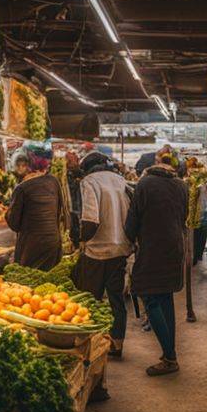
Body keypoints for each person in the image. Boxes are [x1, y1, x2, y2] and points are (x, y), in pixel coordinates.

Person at [125, 152, 188, 376]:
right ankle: (169, 354)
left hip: (153, 248)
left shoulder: (144, 184)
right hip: (174, 247)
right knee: (165, 297)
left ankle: (170, 357)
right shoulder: (181, 185)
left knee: (149, 297)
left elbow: (132, 220)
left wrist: (130, 239)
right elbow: (183, 217)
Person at [73, 151, 132, 357]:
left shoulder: (89, 181)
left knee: (90, 298)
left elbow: (90, 218)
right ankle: (117, 344)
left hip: (97, 250)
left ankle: (91, 342)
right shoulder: (121, 180)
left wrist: (81, 240)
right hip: (120, 248)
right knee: (116, 298)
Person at [6, 152, 67, 271]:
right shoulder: (53, 182)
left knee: (29, 279)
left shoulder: (21, 188)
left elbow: (14, 224)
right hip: (53, 240)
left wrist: (7, 213)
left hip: (32, 245)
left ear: (28, 169)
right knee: (49, 277)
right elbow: (60, 210)